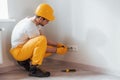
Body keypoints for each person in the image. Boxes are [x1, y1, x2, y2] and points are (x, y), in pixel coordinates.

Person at [10, 3, 67, 77]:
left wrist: (58, 44)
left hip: (22, 48)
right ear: (41, 18)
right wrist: (57, 50)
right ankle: (34, 70)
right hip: (19, 52)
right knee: (43, 43)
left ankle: (25, 62)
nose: (48, 23)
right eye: (47, 20)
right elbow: (42, 43)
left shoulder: (34, 22)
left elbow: (43, 40)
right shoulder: (30, 26)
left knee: (43, 41)